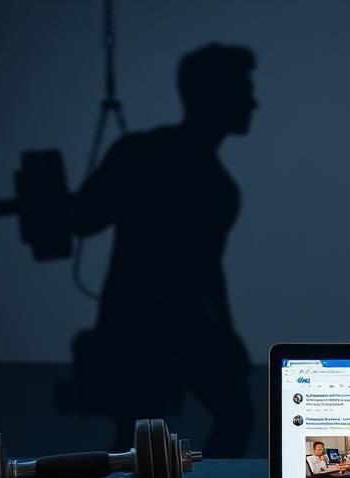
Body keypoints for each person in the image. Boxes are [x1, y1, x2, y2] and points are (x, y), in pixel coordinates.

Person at [69, 43, 259, 456]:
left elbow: (208, 268)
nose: (253, 102)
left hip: (173, 323)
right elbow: (83, 218)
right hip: (143, 327)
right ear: (212, 94)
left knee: (216, 421)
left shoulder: (198, 176)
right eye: (243, 91)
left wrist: (226, 332)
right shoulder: (152, 157)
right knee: (142, 441)